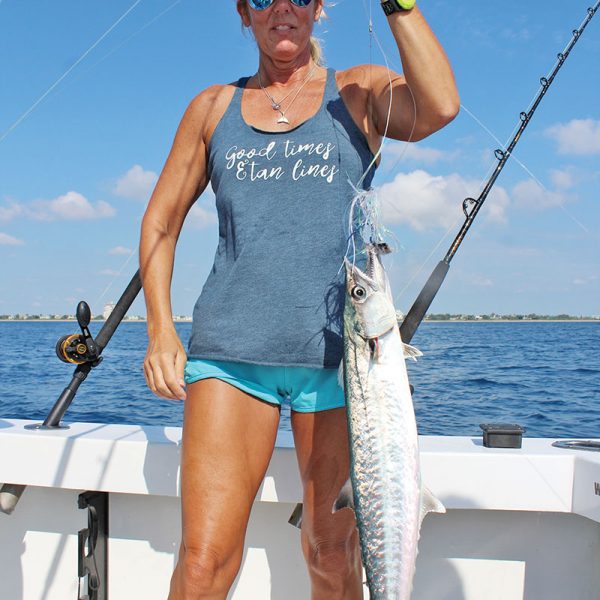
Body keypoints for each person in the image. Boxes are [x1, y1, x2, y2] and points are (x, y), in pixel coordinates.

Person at [139, 1, 459, 598]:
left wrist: (400, 5)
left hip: (346, 363)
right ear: (243, 13)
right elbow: (160, 222)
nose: (281, 8)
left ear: (318, 9)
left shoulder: (358, 91)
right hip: (231, 355)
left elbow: (439, 106)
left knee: (332, 554)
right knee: (204, 560)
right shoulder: (212, 108)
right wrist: (160, 327)